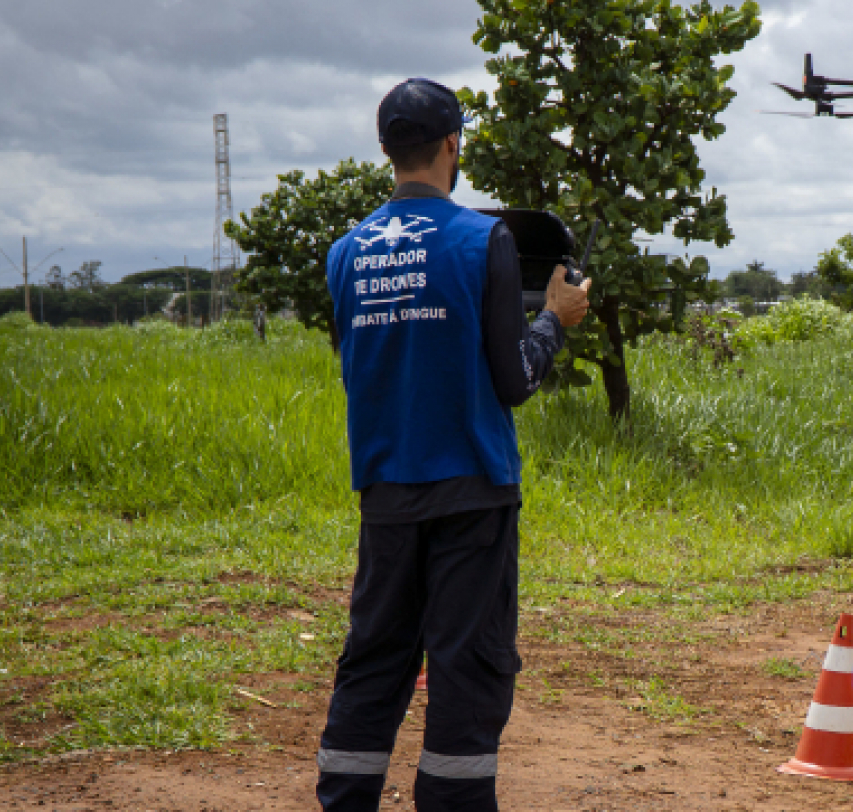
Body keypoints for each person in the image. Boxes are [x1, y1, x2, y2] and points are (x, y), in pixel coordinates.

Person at [316, 78, 592, 812]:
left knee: (374, 663)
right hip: (472, 490)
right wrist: (555, 320)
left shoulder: (344, 254)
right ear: (451, 145)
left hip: (384, 495)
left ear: (385, 149)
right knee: (468, 668)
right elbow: (515, 380)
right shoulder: (484, 239)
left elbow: (360, 367)